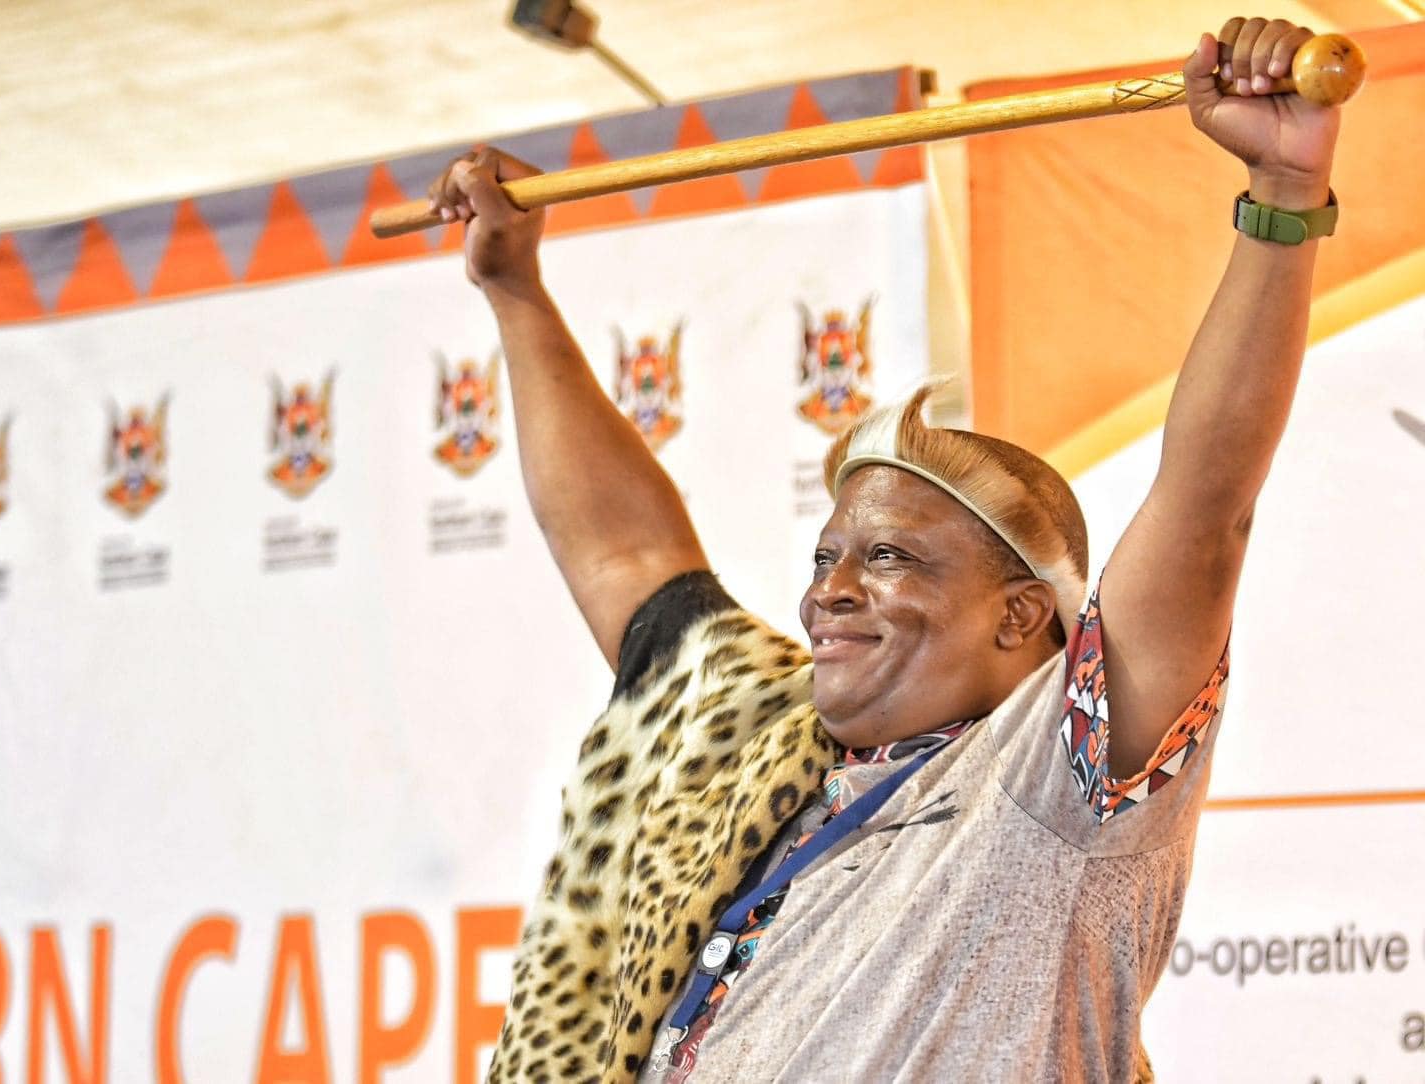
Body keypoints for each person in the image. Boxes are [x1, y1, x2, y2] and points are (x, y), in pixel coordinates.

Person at [427, 16, 1342, 1082]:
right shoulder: (761, 739)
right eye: (826, 558)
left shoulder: (1054, 780)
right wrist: (515, 291)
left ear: (1020, 613)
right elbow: (623, 557)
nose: (831, 592)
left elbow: (1205, 510)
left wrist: (1282, 195)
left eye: (890, 558)